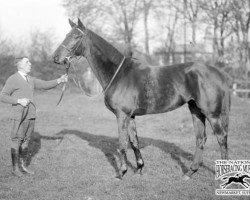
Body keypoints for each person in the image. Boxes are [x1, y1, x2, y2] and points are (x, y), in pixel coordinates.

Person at [0, 56, 68, 177]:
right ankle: (15, 169)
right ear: (19, 64)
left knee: (26, 140)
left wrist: (60, 80)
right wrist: (18, 100)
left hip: (31, 115)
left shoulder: (30, 79)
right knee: (17, 140)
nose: (30, 64)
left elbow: (44, 84)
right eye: (27, 62)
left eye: (30, 62)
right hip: (19, 115)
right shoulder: (13, 79)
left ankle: (23, 166)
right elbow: (3, 96)